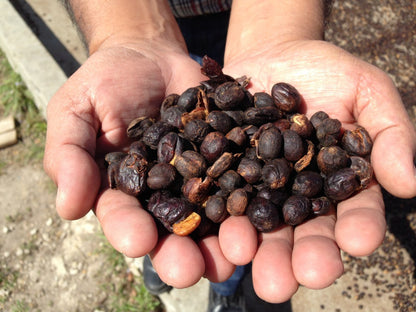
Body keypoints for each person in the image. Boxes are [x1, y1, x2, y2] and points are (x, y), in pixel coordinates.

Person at [44, 0, 416, 311]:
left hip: (256, 15)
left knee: (234, 241)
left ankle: (226, 292)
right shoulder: (185, 144)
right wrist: (126, 32)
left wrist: (283, 27)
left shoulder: (263, 146)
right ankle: (159, 250)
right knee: (159, 225)